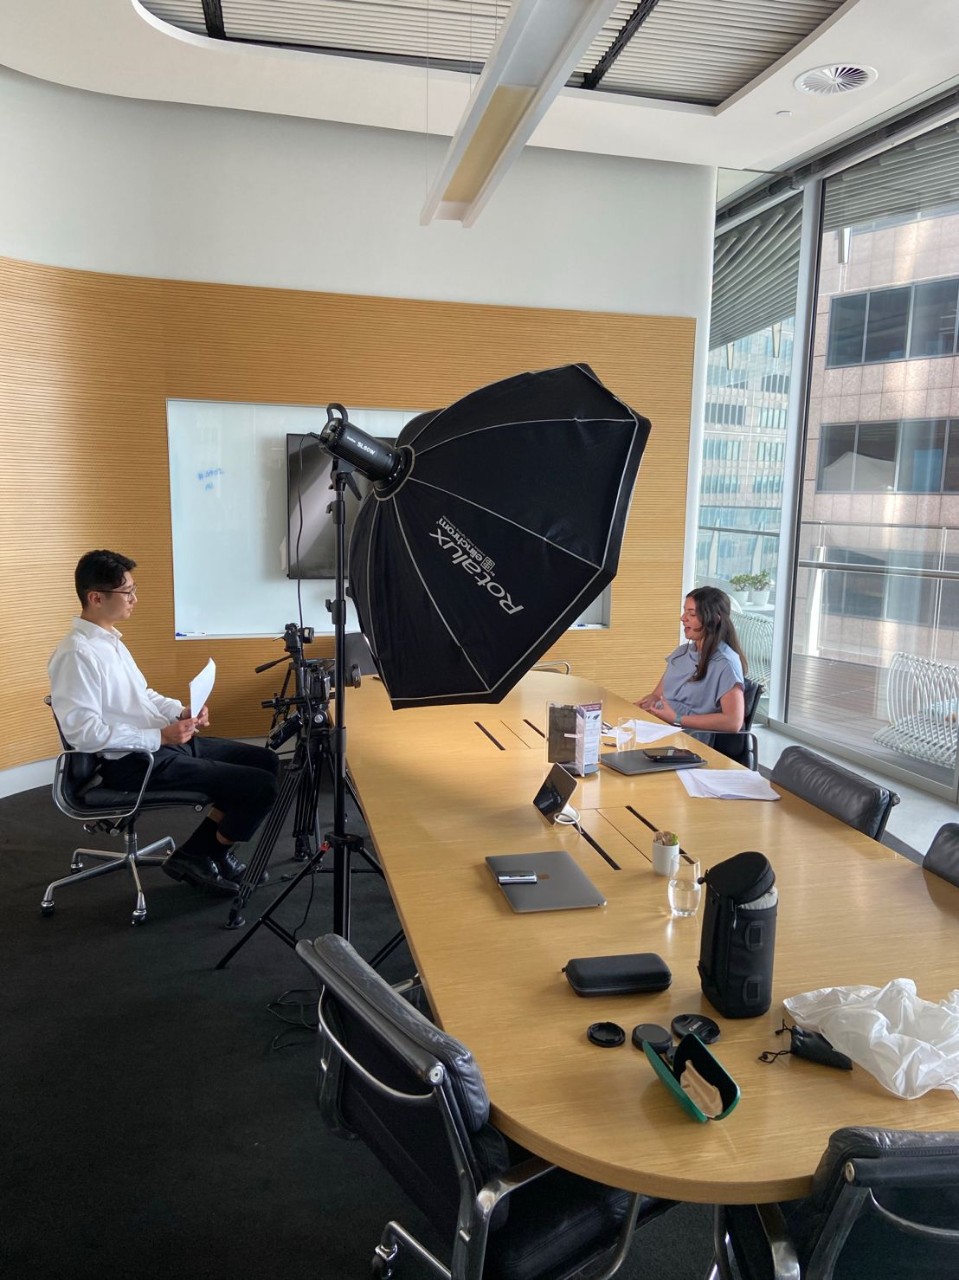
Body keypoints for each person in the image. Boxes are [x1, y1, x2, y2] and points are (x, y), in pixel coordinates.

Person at [49, 550, 280, 896]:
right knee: (260, 786)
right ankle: (205, 853)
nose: (134, 599)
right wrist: (158, 736)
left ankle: (201, 853)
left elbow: (143, 695)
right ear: (96, 598)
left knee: (266, 761)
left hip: (160, 745)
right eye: (127, 592)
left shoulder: (110, 641)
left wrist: (180, 712)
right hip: (133, 762)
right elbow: (82, 733)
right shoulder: (76, 654)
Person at [636, 586, 747, 733]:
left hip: (691, 737)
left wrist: (677, 718)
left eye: (692, 614)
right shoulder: (681, 653)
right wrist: (647, 703)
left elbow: (733, 722)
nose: (683, 618)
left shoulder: (725, 664)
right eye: (684, 611)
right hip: (662, 727)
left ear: (713, 620)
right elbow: (657, 695)